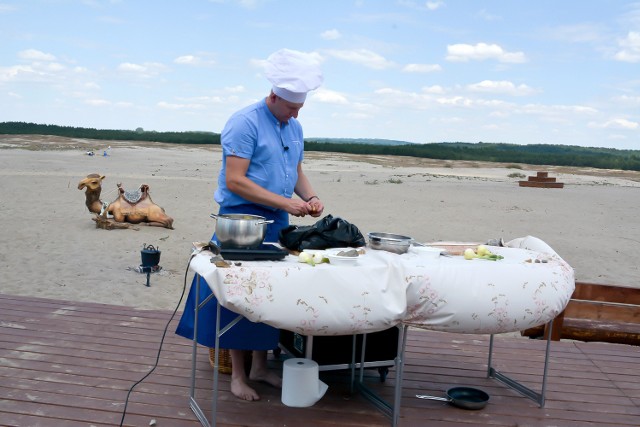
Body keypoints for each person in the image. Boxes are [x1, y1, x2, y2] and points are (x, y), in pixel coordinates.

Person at [176, 48, 325, 401]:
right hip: (241, 221)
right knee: (239, 297)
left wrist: (311, 197)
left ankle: (260, 367)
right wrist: (287, 201)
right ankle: (237, 376)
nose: (295, 114)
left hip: (277, 220)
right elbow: (236, 180)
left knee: (270, 297)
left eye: (299, 108)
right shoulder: (243, 122)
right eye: (290, 107)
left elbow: (296, 171)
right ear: (273, 96)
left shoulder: (295, 125)